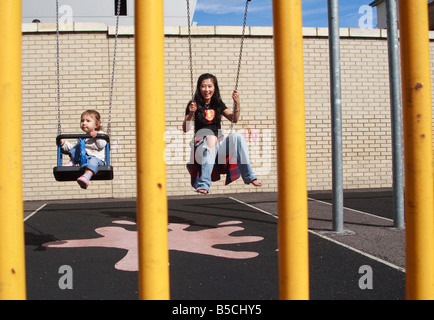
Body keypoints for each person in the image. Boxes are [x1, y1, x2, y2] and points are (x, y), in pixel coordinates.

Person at [183, 73, 262, 194]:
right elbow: (186, 128)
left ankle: (249, 176)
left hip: (218, 145)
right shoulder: (193, 105)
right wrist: (191, 113)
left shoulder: (217, 104)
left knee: (238, 137)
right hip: (201, 145)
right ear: (199, 88)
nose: (207, 90)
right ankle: (204, 184)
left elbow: (234, 119)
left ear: (214, 87)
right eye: (203, 86)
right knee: (210, 138)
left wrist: (237, 103)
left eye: (210, 86)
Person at [60, 109, 107, 189]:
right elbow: (72, 148)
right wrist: (64, 143)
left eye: (88, 121)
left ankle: (86, 177)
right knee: (76, 148)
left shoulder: (100, 134)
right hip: (83, 159)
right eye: (82, 121)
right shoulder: (82, 138)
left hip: (97, 160)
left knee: (92, 161)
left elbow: (102, 145)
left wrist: (97, 136)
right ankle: (72, 163)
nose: (84, 123)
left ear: (96, 125)